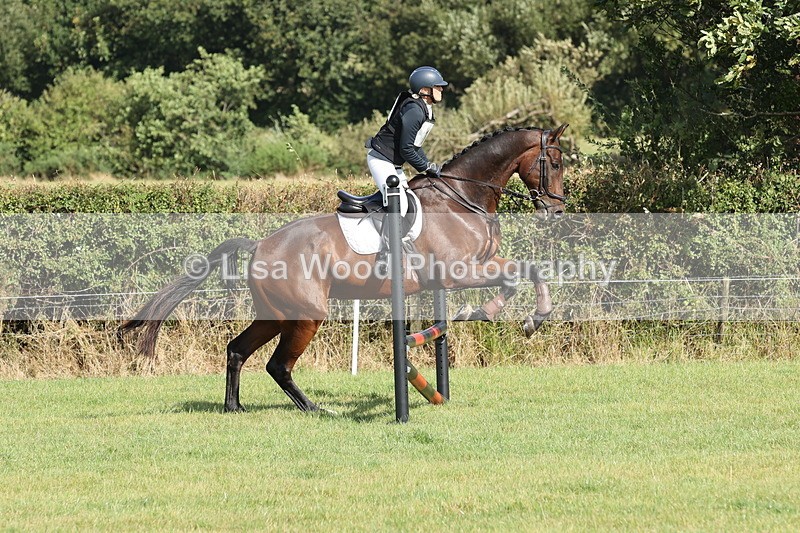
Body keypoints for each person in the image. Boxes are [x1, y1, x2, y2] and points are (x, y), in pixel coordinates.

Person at [365, 66, 448, 215]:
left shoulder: (423, 108)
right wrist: (425, 167)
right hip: (382, 160)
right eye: (437, 87)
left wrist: (429, 165)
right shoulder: (414, 111)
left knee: (411, 202)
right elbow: (406, 149)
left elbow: (416, 145)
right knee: (400, 206)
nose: (441, 90)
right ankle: (389, 239)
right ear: (424, 90)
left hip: (393, 163)